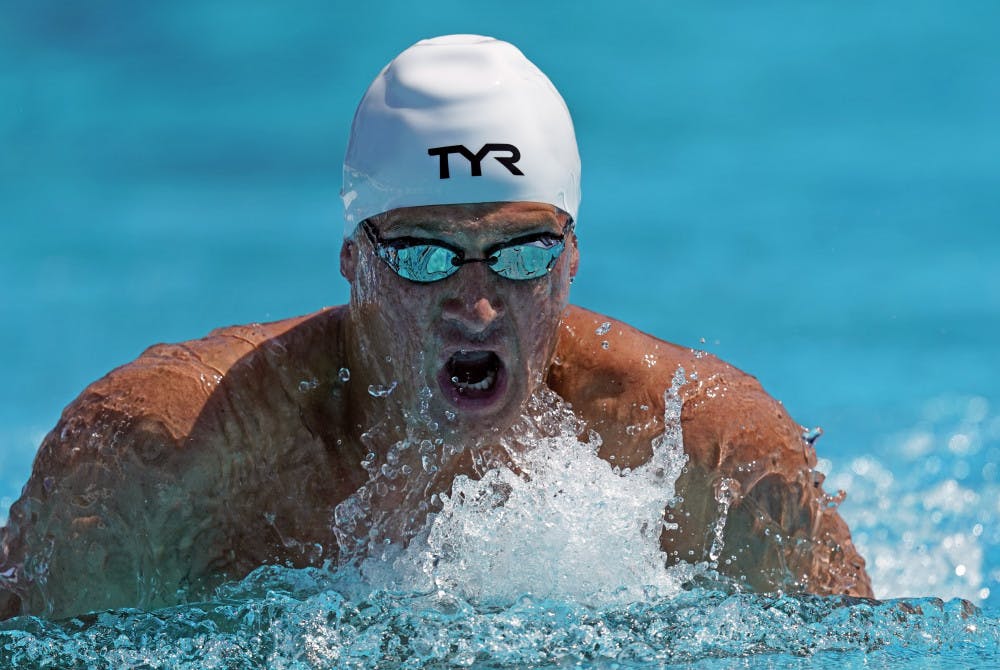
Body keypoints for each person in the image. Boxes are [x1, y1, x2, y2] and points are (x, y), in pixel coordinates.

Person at [0, 34, 871, 620]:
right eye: (423, 254)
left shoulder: (710, 456)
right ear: (354, 264)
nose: (477, 301)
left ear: (571, 261)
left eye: (521, 253)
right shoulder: (164, 456)